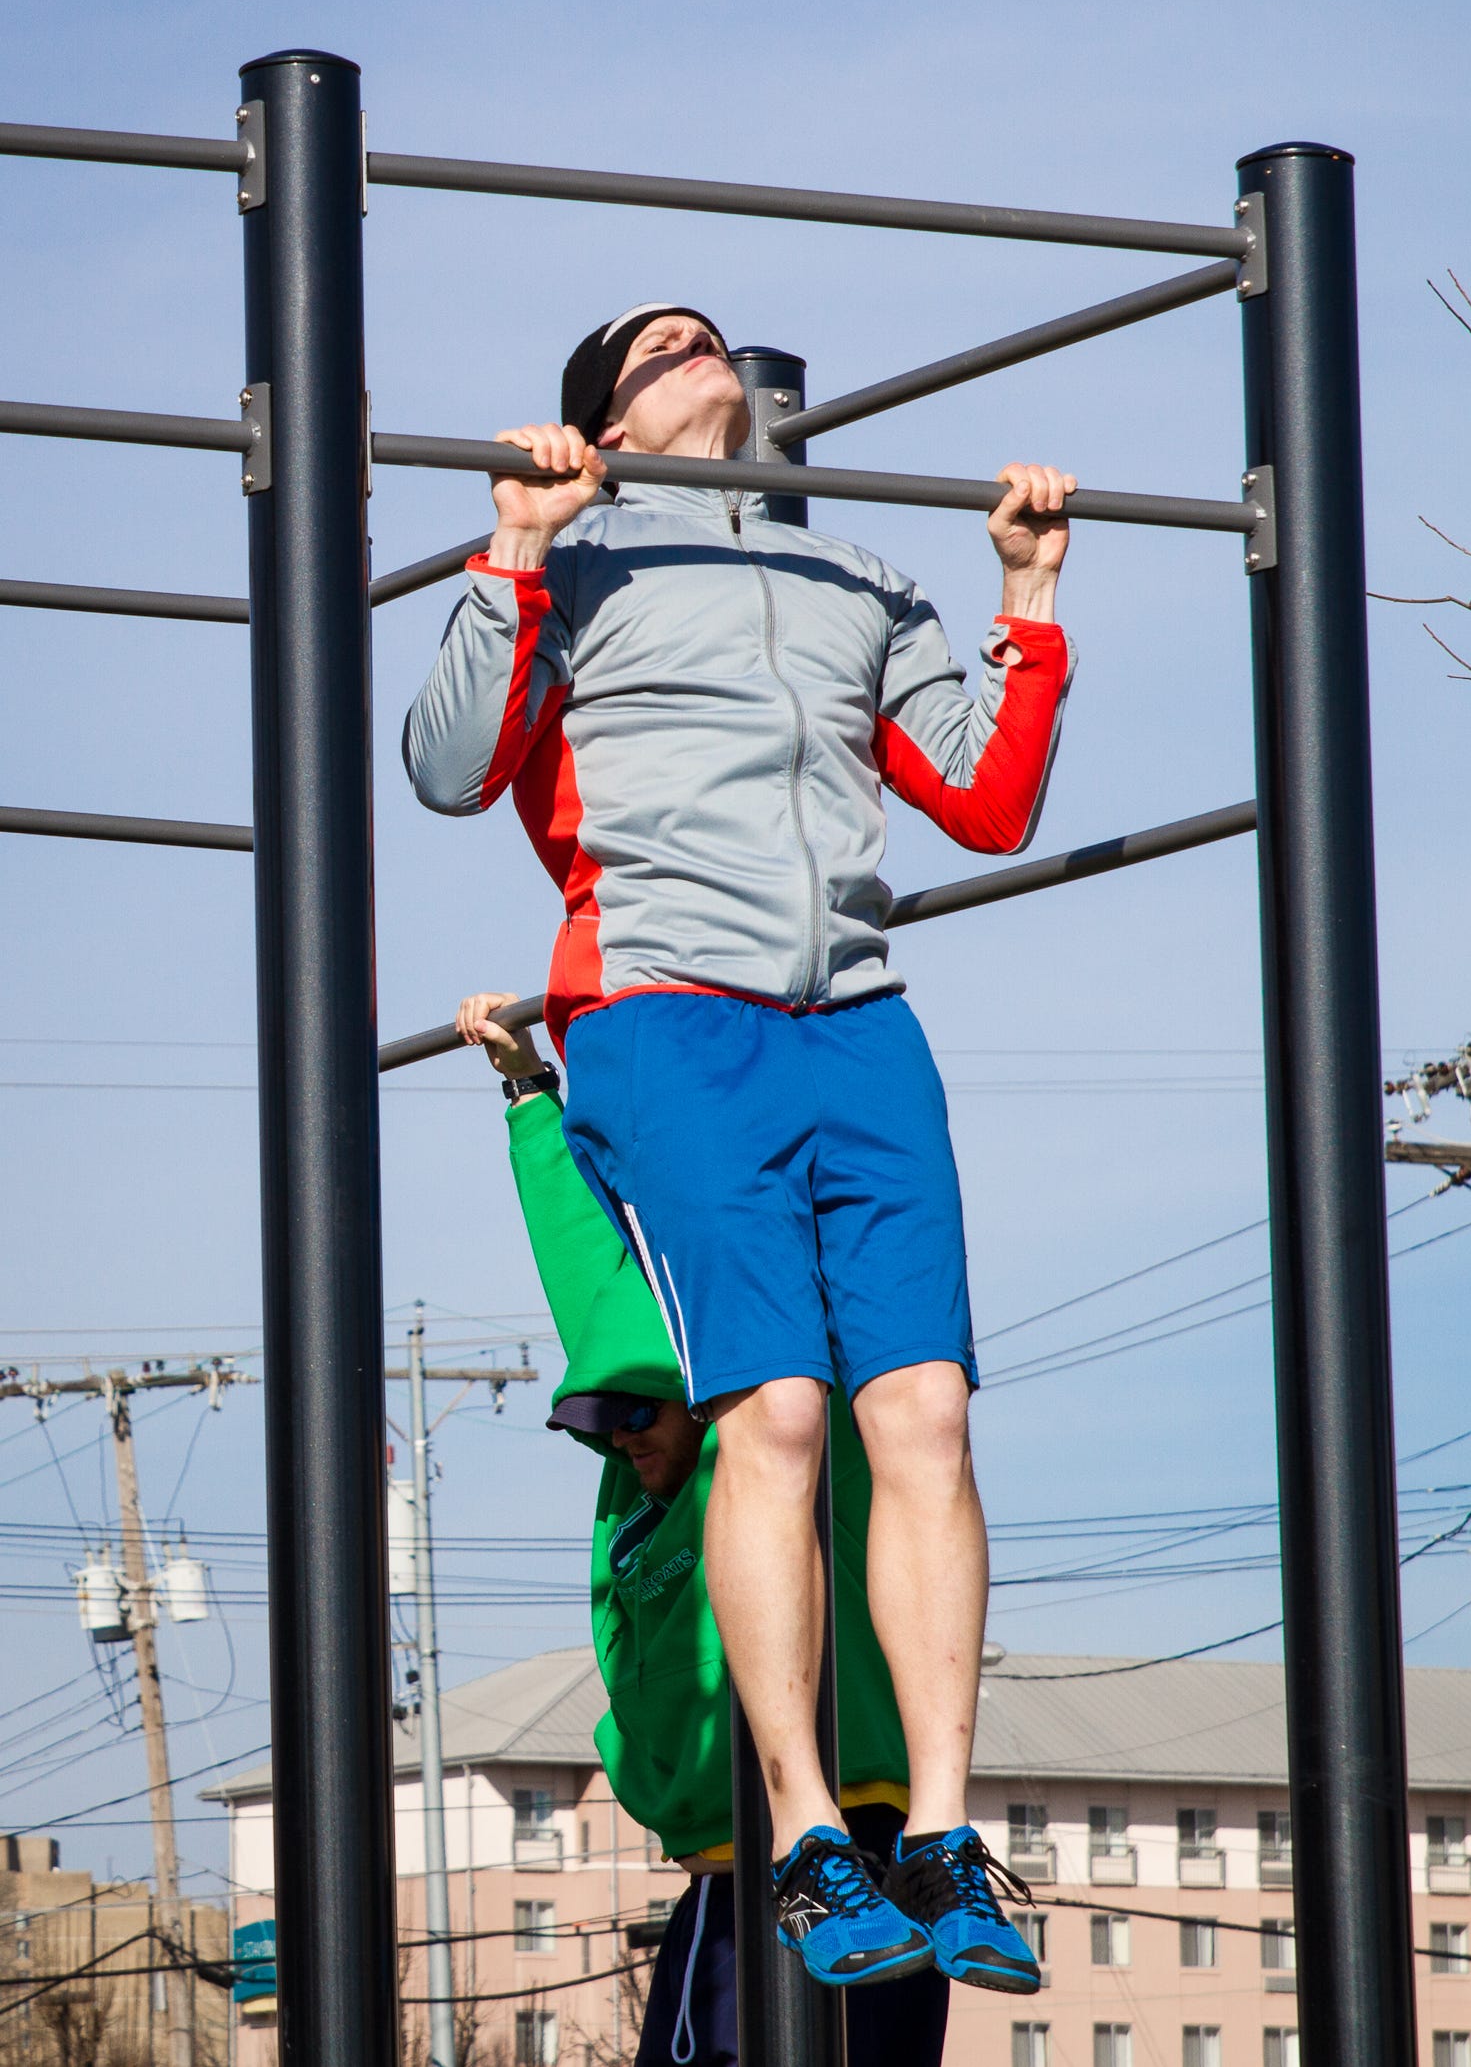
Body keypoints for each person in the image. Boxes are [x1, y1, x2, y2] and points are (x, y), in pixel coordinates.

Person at [406, 303, 1075, 1994]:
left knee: (922, 1409)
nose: (711, 349)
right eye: (664, 343)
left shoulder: (858, 575)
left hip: (856, 1019)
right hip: (664, 1008)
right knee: (771, 1411)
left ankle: (936, 1824)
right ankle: (803, 1836)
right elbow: (447, 764)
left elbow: (988, 800)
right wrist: (513, 539)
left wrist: (1028, 599)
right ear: (609, 416)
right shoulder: (581, 559)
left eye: (719, 336)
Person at [454, 990, 951, 2067]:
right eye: (603, 1417)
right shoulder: (636, 1511)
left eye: (642, 1408)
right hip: (731, 1865)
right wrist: (528, 1091)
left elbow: (633, 1259)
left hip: (844, 1847)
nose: (623, 1434)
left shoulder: (776, 1435)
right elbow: (588, 1287)